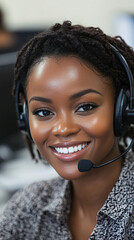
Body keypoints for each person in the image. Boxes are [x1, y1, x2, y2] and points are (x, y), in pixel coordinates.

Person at [0, 21, 134, 240]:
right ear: (25, 119)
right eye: (43, 112)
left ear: (122, 110)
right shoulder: (29, 206)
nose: (63, 129)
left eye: (85, 107)